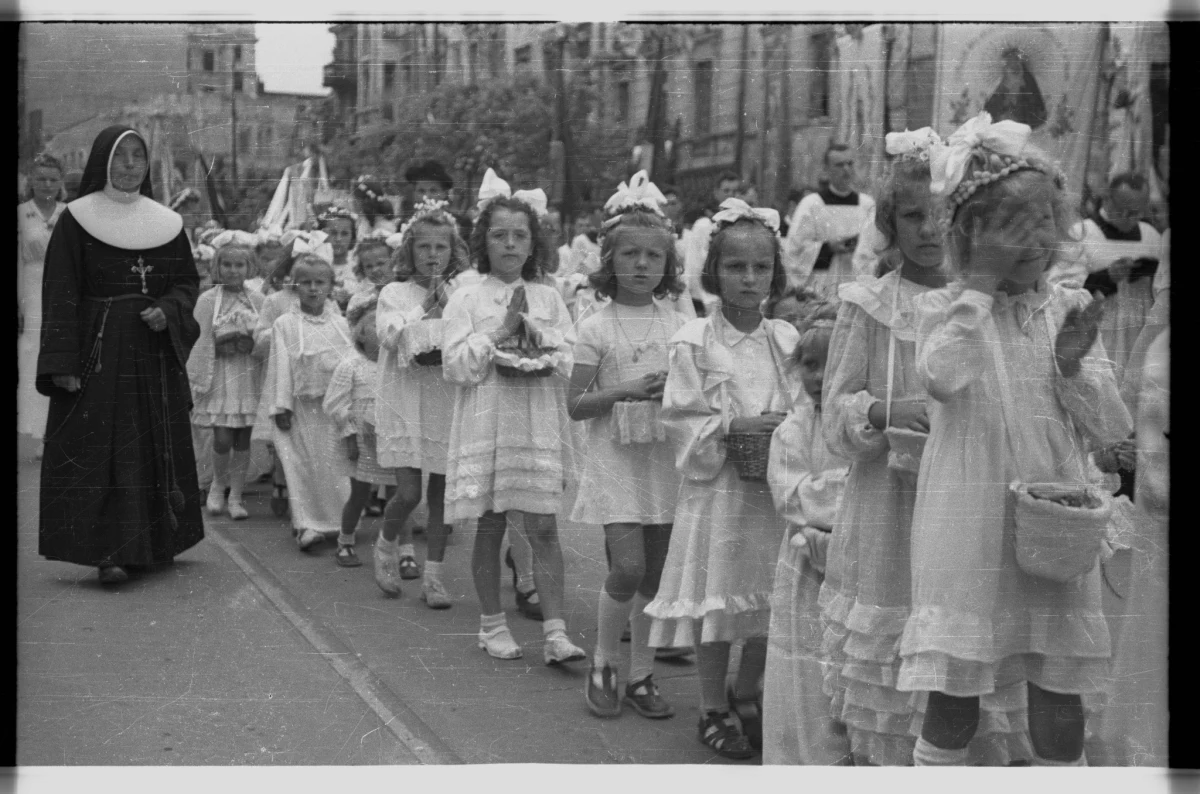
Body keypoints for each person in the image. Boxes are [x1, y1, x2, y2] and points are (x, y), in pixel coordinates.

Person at [899, 112, 1131, 767]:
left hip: (1054, 525)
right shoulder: (943, 308)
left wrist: (1071, 366)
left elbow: (1108, 428)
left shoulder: (1066, 308)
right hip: (968, 528)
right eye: (1011, 226)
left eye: (1044, 222)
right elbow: (942, 377)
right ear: (970, 234)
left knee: (1060, 689)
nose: (1033, 240)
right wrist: (979, 286)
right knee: (955, 692)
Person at [645, 198, 798, 760]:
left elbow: (805, 402)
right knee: (718, 601)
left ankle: (748, 691)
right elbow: (681, 415)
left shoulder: (785, 338)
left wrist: (788, 426)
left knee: (767, 599)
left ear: (775, 273)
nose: (749, 278)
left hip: (773, 492)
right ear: (713, 271)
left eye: (761, 267)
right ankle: (711, 705)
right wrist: (735, 426)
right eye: (736, 267)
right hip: (720, 491)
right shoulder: (696, 340)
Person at [37, 125, 203, 585]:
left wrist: (168, 309)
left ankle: (152, 544)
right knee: (101, 448)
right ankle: (108, 552)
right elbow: (61, 292)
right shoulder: (76, 220)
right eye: (120, 155)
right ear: (102, 161)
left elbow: (186, 282)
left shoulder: (166, 223)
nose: (130, 165)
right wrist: (62, 363)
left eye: (138, 156)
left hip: (151, 353)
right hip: (98, 352)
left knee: (149, 444)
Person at [442, 169, 586, 665]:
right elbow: (456, 366)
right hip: (488, 420)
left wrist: (543, 341)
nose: (509, 244)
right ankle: (492, 624)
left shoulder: (548, 297)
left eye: (519, 236)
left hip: (534, 419)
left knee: (543, 526)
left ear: (533, 243)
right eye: (499, 235)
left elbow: (570, 358)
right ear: (483, 241)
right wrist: (500, 333)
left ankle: (556, 632)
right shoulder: (466, 297)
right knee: (491, 524)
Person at [568, 175, 690, 721]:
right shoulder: (595, 327)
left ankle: (642, 674)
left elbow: (698, 390)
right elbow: (576, 404)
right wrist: (626, 391)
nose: (642, 265)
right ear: (609, 260)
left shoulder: (681, 324)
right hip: (616, 460)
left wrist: (675, 389)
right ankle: (603, 663)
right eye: (629, 254)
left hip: (662, 457)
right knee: (628, 567)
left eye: (653, 256)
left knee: (657, 575)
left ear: (669, 263)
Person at [374, 199, 479, 603]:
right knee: (409, 493)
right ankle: (386, 546)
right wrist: (425, 304)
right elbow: (389, 336)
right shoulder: (394, 292)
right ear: (409, 250)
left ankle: (434, 576)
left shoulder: (462, 294)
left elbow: (469, 337)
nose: (433, 254)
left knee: (441, 497)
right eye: (424, 247)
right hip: (405, 399)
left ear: (453, 251)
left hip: (444, 400)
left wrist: (446, 301)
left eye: (441, 247)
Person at [762, 300, 852, 765]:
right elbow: (792, 498)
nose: (818, 377)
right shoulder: (792, 431)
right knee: (809, 670)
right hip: (809, 566)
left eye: (831, 365)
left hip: (858, 561)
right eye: (810, 365)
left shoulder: (865, 428)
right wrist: (849, 488)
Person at [261, 254, 355, 551]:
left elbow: (351, 365)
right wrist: (281, 406)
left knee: (334, 465)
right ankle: (305, 524)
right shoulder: (285, 324)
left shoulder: (342, 324)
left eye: (320, 282)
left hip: (333, 410)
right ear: (294, 286)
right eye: (306, 283)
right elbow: (280, 365)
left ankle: (341, 522)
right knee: (300, 465)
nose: (313, 289)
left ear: (330, 286)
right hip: (300, 409)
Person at [186, 239, 264, 521]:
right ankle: (218, 486)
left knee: (243, 437)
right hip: (220, 374)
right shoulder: (208, 300)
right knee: (222, 437)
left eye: (239, 265)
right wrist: (218, 346)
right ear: (217, 267)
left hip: (247, 373)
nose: (233, 270)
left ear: (249, 267)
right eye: (227, 264)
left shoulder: (258, 300)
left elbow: (267, 335)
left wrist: (252, 344)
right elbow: (197, 339)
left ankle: (237, 495)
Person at [323, 306, 395, 568]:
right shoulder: (351, 365)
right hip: (361, 441)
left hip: (389, 438)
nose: (381, 332)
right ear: (361, 334)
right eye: (374, 327)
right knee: (360, 493)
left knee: (397, 494)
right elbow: (334, 404)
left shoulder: (395, 366)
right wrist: (350, 436)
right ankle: (345, 541)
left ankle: (395, 545)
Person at [19, 152, 67, 449]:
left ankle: (56, 431)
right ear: (31, 182)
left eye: (52, 179)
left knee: (58, 356)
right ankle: (38, 432)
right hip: (31, 290)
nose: (47, 185)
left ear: (60, 182)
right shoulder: (21, 213)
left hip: (61, 291)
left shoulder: (69, 213)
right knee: (32, 358)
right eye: (41, 179)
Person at [784, 145, 877, 298]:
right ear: (826, 170)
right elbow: (794, 252)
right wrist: (828, 248)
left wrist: (860, 245)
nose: (846, 169)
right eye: (839, 165)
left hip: (857, 285)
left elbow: (877, 249)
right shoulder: (811, 204)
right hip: (821, 285)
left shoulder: (868, 204)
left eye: (850, 163)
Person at [680, 171, 741, 315]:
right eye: (726, 191)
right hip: (706, 300)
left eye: (735, 191)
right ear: (716, 193)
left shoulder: (743, 226)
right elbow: (694, 265)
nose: (731, 195)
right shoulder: (704, 225)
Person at [984, 47, 1048, 131]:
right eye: (1009, 61)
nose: (1012, 63)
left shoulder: (1027, 80)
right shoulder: (1003, 83)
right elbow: (992, 109)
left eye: (1015, 59)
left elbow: (1036, 104)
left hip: (1023, 120)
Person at [317, 206, 359, 311]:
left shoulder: (358, 268)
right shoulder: (314, 266)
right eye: (333, 233)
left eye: (344, 234)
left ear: (352, 237)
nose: (338, 239)